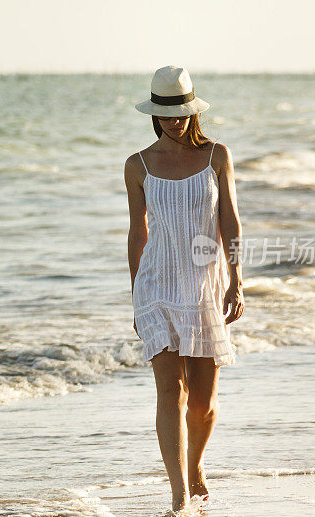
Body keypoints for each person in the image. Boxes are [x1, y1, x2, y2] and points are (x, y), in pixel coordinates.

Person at [124, 65, 244, 513]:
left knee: (203, 403)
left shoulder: (217, 156)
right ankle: (177, 494)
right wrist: (136, 295)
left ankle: (195, 464)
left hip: (203, 283)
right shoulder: (137, 165)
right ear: (153, 114)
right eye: (165, 114)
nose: (173, 121)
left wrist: (236, 278)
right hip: (156, 284)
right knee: (169, 392)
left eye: (180, 113)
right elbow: (138, 233)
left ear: (192, 112)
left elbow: (228, 219)